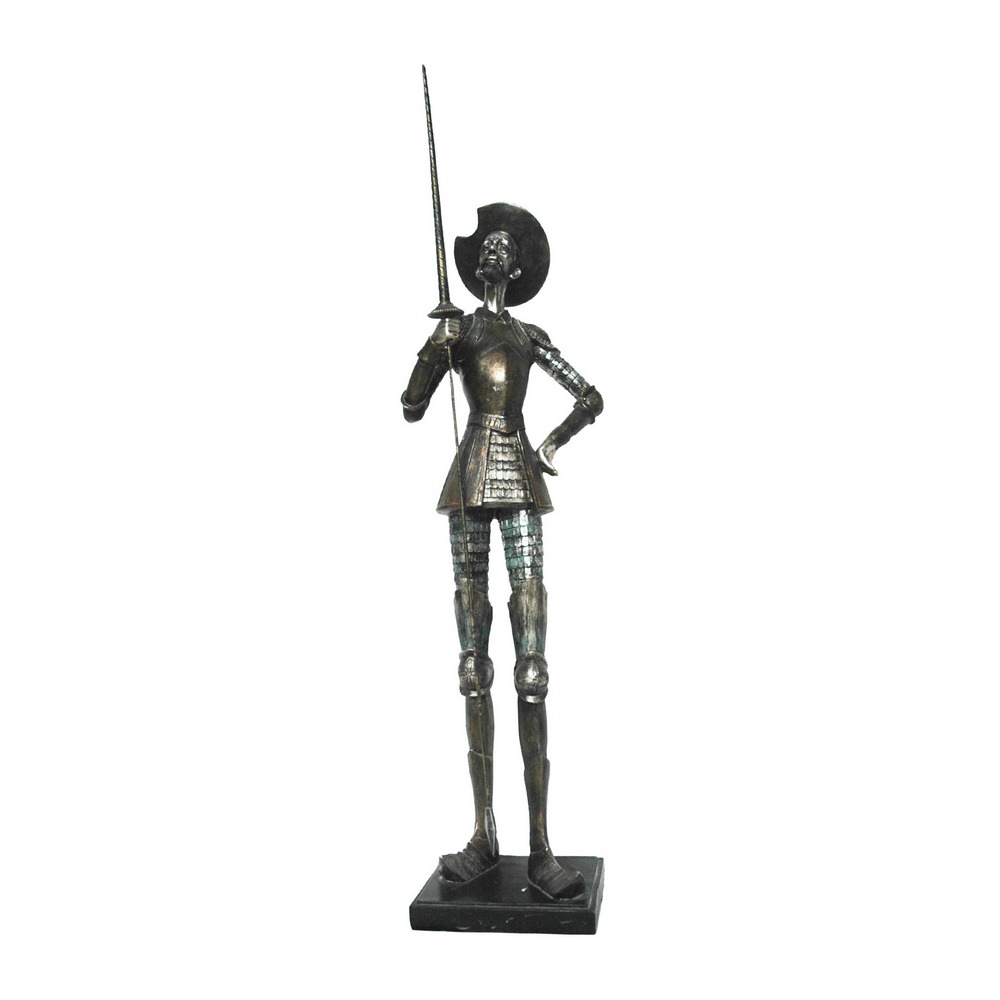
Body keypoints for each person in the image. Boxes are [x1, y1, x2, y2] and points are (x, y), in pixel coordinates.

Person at [402, 203, 603, 899]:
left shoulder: (526, 334)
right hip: (468, 479)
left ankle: (540, 845)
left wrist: (551, 442)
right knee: (471, 666)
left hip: (517, 474)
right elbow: (411, 404)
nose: (491, 253)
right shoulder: (460, 329)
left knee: (532, 670)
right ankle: (484, 835)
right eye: (484, 245)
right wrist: (436, 348)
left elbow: (590, 395)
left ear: (516, 268)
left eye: (502, 247)